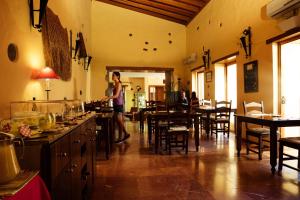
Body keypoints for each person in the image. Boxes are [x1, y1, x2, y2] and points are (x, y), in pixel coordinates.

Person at [102, 72, 130, 143]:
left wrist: (108, 98)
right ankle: (125, 134)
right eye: (112, 75)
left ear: (117, 76)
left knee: (119, 121)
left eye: (113, 75)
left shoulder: (119, 84)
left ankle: (121, 138)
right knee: (118, 121)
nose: (112, 76)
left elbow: (117, 95)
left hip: (119, 105)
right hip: (116, 104)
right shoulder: (116, 84)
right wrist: (107, 97)